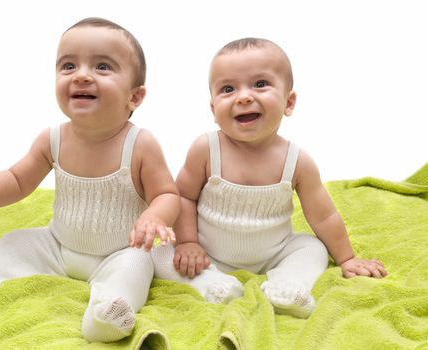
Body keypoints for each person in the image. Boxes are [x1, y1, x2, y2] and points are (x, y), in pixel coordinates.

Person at [0, 17, 179, 343]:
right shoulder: (53, 139)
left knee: (135, 270)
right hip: (58, 245)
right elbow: (18, 180)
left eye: (102, 67)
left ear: (134, 97)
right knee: (14, 243)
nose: (82, 75)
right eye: (68, 66)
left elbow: (167, 195)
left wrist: (152, 217)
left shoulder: (140, 144)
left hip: (119, 250)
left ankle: (108, 314)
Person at [151, 37, 387, 319]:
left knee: (313, 248)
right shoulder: (206, 150)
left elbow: (323, 217)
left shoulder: (297, 161)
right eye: (228, 89)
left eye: (260, 84)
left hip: (275, 251)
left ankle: (287, 285)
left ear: (289, 102)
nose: (244, 96)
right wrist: (189, 242)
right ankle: (212, 284)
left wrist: (347, 258)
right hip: (208, 252)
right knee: (159, 255)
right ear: (214, 110)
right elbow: (184, 196)